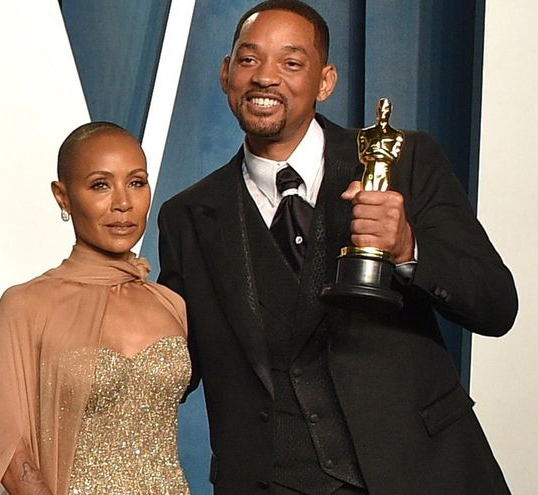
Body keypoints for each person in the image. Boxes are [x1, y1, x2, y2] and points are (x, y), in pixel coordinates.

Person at [156, 1, 517, 494]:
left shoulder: (406, 161)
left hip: (426, 471)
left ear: (325, 82)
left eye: (291, 62)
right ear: (225, 74)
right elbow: (180, 362)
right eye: (248, 59)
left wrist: (409, 247)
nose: (265, 77)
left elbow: (496, 306)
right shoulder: (187, 216)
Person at [0, 122, 192, 494]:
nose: (123, 203)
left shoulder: (170, 304)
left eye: (136, 182)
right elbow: (6, 444)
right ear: (63, 196)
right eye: (100, 185)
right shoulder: (26, 305)